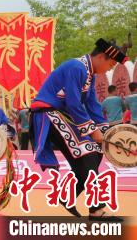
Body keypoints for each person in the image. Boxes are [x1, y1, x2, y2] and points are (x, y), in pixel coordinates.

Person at [30, 38, 127, 222]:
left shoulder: (89, 74)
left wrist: (104, 130)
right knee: (88, 153)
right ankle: (96, 210)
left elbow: (92, 104)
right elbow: (74, 103)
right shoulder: (77, 67)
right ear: (101, 57)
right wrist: (92, 130)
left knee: (96, 151)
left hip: (61, 113)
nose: (110, 69)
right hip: (47, 113)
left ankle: (69, 195)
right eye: (111, 64)